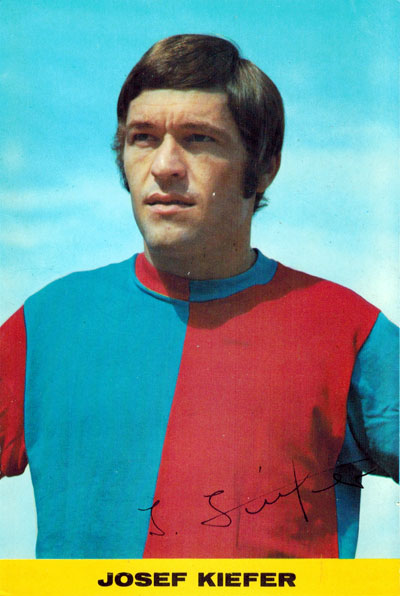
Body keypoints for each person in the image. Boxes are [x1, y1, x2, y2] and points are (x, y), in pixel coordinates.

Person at [0, 34, 398, 559]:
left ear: (263, 166)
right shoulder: (49, 321)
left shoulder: (347, 329)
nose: (164, 164)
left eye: (198, 139)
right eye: (143, 138)